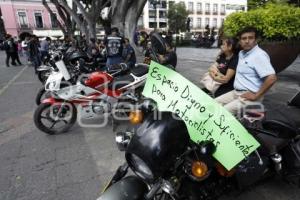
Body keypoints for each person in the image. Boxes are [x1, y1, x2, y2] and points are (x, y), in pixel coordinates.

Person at [215, 27, 277, 116]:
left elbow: (272, 78)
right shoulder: (242, 53)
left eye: (250, 38)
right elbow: (228, 52)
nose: (247, 41)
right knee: (213, 104)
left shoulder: (259, 55)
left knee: (222, 113)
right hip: (236, 92)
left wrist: (256, 96)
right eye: (244, 38)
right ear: (240, 41)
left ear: (255, 40)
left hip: (250, 97)